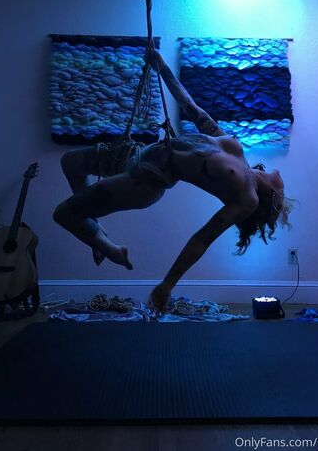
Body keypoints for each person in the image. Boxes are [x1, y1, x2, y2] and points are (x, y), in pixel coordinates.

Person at [53, 50, 291, 314]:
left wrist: (167, 284)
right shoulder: (237, 152)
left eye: (283, 197)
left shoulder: (248, 199)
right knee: (70, 162)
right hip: (136, 154)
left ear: (272, 198)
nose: (284, 185)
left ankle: (109, 249)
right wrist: (162, 66)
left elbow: (202, 239)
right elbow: (191, 107)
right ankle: (94, 229)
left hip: (144, 181)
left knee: (63, 214)